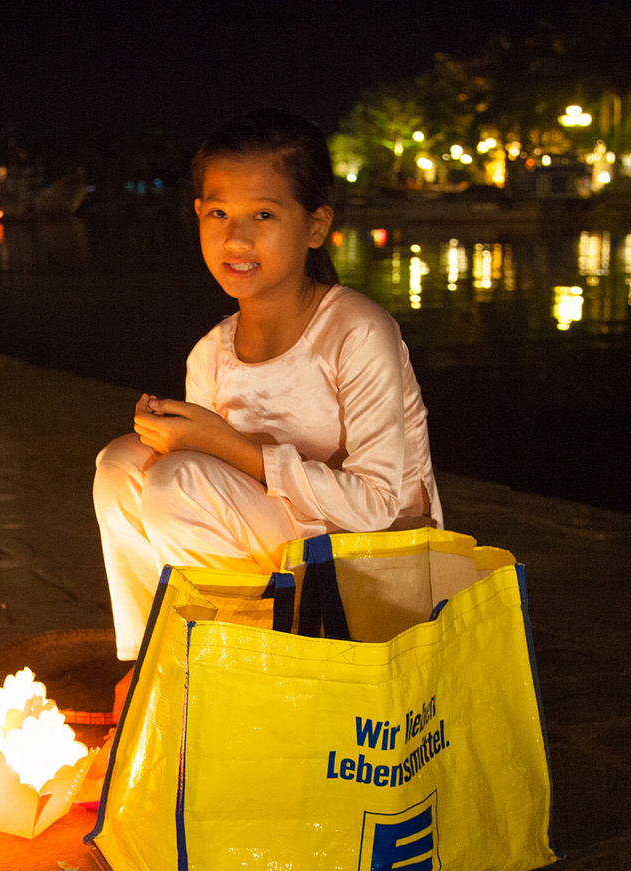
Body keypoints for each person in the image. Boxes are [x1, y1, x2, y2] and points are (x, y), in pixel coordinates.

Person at [92, 109, 442, 661]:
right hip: (283, 549)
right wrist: (175, 436)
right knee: (120, 466)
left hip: (374, 562)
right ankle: (152, 656)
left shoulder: (356, 330)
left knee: (175, 484)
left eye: (263, 214)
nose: (236, 237)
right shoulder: (210, 354)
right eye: (218, 213)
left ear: (316, 226)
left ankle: (234, 658)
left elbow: (380, 505)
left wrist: (225, 445)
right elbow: (210, 482)